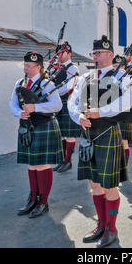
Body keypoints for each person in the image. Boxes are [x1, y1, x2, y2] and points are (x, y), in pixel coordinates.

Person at [68, 35, 132, 248]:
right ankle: (102, 224)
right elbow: (73, 101)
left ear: (110, 55)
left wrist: (101, 111)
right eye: (93, 53)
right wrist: (77, 117)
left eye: (99, 53)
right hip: (88, 135)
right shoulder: (85, 77)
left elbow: (128, 101)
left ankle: (112, 229)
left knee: (109, 186)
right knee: (94, 184)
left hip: (107, 134)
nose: (95, 56)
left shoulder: (121, 75)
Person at [9, 52, 63, 218]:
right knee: (31, 165)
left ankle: (43, 201)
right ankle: (33, 198)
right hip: (27, 127)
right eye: (24, 65)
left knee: (41, 165)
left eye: (29, 66)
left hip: (44, 125)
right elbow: (12, 104)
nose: (26, 68)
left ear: (39, 67)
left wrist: (35, 108)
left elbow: (57, 105)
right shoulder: (20, 82)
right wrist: (20, 113)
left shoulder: (47, 84)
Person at [51, 43, 81, 173]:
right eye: (58, 53)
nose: (59, 55)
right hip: (58, 103)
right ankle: (62, 160)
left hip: (68, 102)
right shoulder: (56, 68)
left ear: (69, 53)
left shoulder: (73, 68)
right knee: (62, 135)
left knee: (69, 135)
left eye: (62, 52)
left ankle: (68, 161)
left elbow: (68, 86)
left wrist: (52, 93)